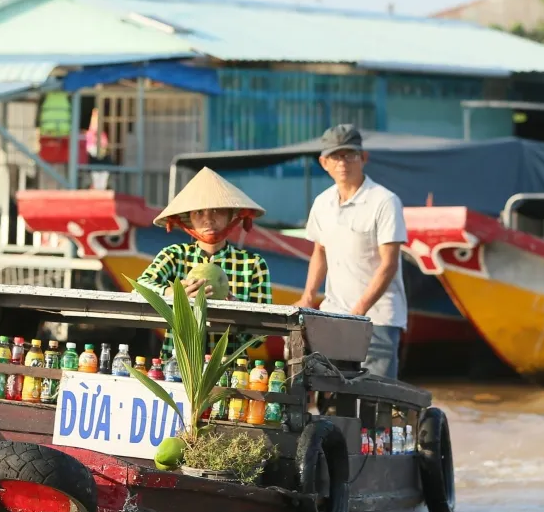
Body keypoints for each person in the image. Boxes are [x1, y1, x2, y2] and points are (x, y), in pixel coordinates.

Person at [296, 124, 408, 379]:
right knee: (330, 394)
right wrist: (308, 297)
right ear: (324, 163)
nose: (342, 162)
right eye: (336, 156)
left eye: (350, 155)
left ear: (363, 158)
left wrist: (359, 311)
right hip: (333, 314)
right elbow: (320, 251)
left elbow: (389, 264)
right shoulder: (322, 202)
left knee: (375, 398)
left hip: (378, 319)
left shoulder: (384, 201)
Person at [136, 167, 272, 358]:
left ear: (231, 215)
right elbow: (139, 288)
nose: (208, 220)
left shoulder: (253, 264)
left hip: (230, 372)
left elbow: (260, 338)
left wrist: (237, 310)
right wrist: (173, 293)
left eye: (217, 211)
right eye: (199, 212)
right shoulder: (174, 255)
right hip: (177, 364)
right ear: (189, 219)